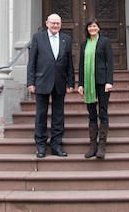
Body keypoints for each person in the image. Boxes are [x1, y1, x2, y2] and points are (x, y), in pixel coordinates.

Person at [27, 13, 75, 158]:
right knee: (41, 115)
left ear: (61, 25)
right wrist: (30, 82)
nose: (55, 26)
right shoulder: (37, 38)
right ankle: (41, 146)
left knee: (58, 116)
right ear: (47, 23)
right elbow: (32, 62)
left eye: (58, 23)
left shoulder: (66, 39)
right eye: (53, 23)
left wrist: (71, 82)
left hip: (60, 82)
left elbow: (69, 64)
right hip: (42, 81)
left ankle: (56, 146)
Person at [78, 17, 114, 159]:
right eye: (90, 26)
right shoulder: (84, 44)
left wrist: (109, 81)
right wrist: (81, 84)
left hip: (102, 82)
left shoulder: (105, 42)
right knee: (92, 114)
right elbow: (81, 66)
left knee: (103, 112)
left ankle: (102, 146)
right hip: (88, 83)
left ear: (98, 28)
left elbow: (110, 63)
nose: (92, 28)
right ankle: (92, 145)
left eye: (94, 26)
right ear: (87, 29)